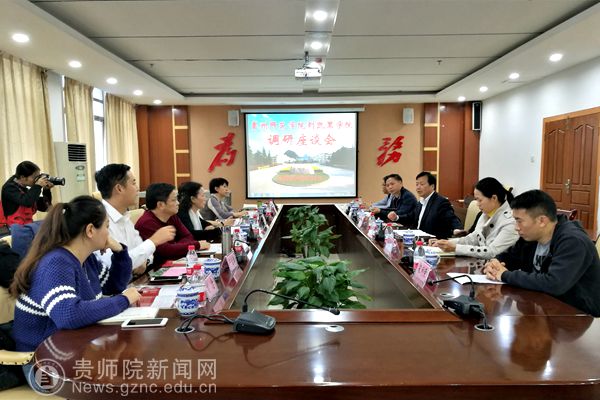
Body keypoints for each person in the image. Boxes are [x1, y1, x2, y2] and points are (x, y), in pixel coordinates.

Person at [9, 196, 141, 389]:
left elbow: (114, 286)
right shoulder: (56, 263)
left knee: (128, 369)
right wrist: (123, 300)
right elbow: (69, 315)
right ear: (90, 230)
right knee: (123, 379)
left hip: (73, 350)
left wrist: (120, 252)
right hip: (43, 364)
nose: (108, 233)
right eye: (106, 226)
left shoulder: (86, 260)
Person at [483, 189, 600, 317]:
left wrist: (505, 275)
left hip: (576, 315)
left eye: (519, 221)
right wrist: (495, 263)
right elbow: (510, 257)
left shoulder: (573, 242)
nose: (516, 227)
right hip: (541, 306)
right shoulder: (531, 236)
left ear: (542, 221)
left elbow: (554, 284)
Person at [94, 164, 175, 275]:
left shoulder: (125, 216)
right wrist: (154, 241)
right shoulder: (99, 219)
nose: (138, 188)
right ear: (119, 188)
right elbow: (113, 265)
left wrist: (145, 261)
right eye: (133, 183)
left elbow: (145, 252)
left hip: (132, 281)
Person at [432, 177, 519, 258]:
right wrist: (445, 243)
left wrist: (456, 248)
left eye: (479, 200)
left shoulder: (510, 222)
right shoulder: (485, 214)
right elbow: (473, 238)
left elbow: (492, 252)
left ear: (494, 198)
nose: (477, 204)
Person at [135, 183, 209, 268]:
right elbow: (166, 252)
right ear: (160, 205)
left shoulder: (171, 216)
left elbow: (188, 236)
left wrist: (175, 247)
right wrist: (196, 245)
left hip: (171, 263)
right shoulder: (147, 223)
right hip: (154, 270)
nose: (178, 203)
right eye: (174, 200)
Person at [396, 171, 462, 239]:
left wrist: (457, 229)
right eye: (417, 184)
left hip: (432, 241)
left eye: (422, 184)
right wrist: (397, 217)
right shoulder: (420, 202)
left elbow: (451, 218)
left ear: (432, 186)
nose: (418, 187)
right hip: (417, 239)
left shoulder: (441, 202)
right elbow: (411, 217)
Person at [1, 161, 53, 226]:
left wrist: (46, 190)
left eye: (38, 177)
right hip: (15, 228)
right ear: (22, 177)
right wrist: (38, 186)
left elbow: (45, 207)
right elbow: (27, 201)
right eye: (34, 177)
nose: (37, 180)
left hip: (27, 225)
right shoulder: (9, 188)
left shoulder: (24, 188)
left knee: (52, 224)